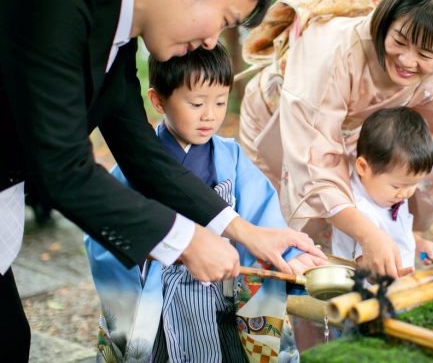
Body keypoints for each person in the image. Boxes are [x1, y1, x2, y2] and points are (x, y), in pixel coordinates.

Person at [0, 0, 323, 361]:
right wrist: (186, 241)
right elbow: (64, 169)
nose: (213, 42)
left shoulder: (115, 28)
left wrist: (248, 233)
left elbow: (142, 154)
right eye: (224, 18)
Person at [239, 0, 433, 280]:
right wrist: (368, 233)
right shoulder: (334, 51)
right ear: (386, 21)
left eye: (426, 54)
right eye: (399, 41)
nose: (407, 60)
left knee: (358, 223)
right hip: (284, 126)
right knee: (295, 240)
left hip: (359, 138)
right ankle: (274, 323)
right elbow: (313, 159)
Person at [85, 44, 318, 362]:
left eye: (221, 101)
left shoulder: (231, 158)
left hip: (224, 296)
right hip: (159, 301)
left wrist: (289, 258)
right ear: (158, 100)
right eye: (196, 103)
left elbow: (263, 221)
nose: (210, 115)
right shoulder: (136, 163)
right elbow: (106, 231)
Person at [331, 107, 433, 270]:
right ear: (363, 167)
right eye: (397, 185)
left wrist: (417, 243)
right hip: (369, 290)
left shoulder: (388, 193)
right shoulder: (360, 211)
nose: (406, 193)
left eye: (413, 184)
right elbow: (365, 262)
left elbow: (396, 230)